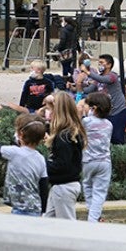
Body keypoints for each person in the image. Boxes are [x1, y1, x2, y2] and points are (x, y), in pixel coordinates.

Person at [43, 91, 86, 219]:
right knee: (48, 223)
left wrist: (40, 162)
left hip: (64, 187)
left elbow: (62, 165)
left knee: (67, 227)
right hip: (63, 185)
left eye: (52, 110)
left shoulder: (63, 137)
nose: (49, 114)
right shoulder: (71, 132)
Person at [80, 92, 113, 222]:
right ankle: (94, 217)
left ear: (93, 108)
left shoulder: (86, 122)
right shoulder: (109, 125)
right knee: (100, 192)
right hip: (104, 162)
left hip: (88, 161)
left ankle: (93, 215)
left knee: (87, 186)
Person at [87, 54, 126, 145]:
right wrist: (77, 86)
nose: (99, 65)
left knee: (117, 138)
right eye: (99, 63)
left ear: (109, 65)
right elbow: (90, 89)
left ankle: (120, 156)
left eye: (102, 63)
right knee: (108, 138)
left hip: (118, 111)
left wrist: (88, 72)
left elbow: (104, 80)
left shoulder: (112, 76)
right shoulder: (99, 78)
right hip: (107, 112)